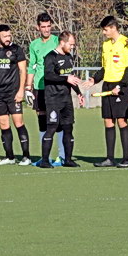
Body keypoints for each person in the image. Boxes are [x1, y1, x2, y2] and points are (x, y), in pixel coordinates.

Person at [0, 24, 32, 165]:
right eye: (5, 36)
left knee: (18, 123)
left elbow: (23, 71)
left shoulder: (16, 50)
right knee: (4, 125)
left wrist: (21, 90)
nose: (8, 38)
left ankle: (26, 156)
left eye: (9, 35)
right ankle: (10, 157)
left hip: (13, 93)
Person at [36, 31, 86, 168]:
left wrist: (79, 93)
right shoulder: (50, 57)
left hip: (66, 99)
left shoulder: (69, 57)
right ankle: (45, 160)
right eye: (70, 44)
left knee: (68, 128)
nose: (72, 47)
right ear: (62, 42)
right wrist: (66, 78)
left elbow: (71, 77)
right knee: (51, 128)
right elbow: (48, 76)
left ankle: (68, 159)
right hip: (53, 99)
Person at [95, 16, 128, 168]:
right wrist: (93, 80)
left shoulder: (126, 43)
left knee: (121, 120)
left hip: (121, 87)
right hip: (107, 86)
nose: (104, 33)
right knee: (108, 120)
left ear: (113, 28)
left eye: (106, 29)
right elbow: (105, 68)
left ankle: (125, 159)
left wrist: (120, 86)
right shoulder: (106, 45)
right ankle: (109, 158)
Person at [27, 12, 62, 165]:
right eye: (43, 27)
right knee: (41, 118)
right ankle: (45, 155)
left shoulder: (57, 41)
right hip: (39, 87)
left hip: (54, 86)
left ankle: (62, 155)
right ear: (38, 27)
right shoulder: (34, 45)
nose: (46, 29)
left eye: (48, 26)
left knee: (57, 119)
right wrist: (28, 87)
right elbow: (32, 66)